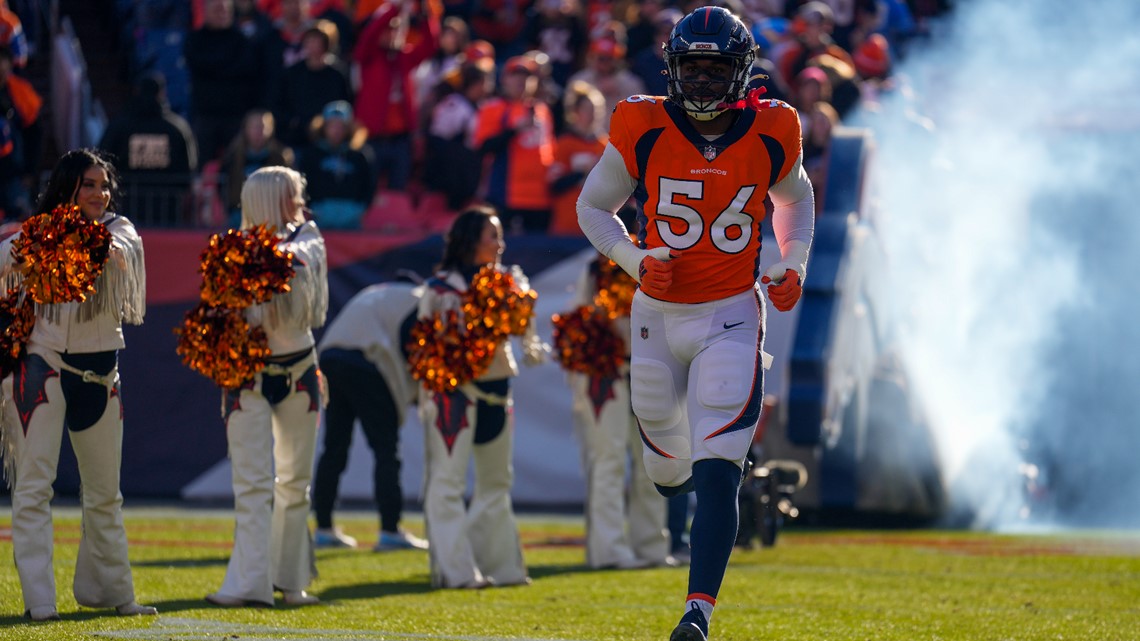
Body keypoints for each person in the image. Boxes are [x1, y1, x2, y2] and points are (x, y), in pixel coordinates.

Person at [575, 6, 815, 641]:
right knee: (665, 468)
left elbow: (796, 197)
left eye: (717, 70)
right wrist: (631, 258)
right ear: (672, 69)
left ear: (742, 73)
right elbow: (593, 207)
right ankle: (691, 480)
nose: (704, 82)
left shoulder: (773, 126)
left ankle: (698, 612)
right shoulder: (641, 122)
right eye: (693, 69)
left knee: (719, 464)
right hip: (657, 310)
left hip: (731, 311)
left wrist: (794, 262)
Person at [0, 149, 153, 621]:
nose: (100, 194)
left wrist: (57, 242)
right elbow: (3, 258)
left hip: (101, 373)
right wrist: (35, 247)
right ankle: (39, 601)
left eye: (104, 185)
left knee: (105, 493)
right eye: (89, 184)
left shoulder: (117, 229)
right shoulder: (35, 233)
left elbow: (123, 256)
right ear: (68, 185)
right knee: (33, 487)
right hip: (41, 366)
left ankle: (112, 591)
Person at [206, 166, 328, 608]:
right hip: (248, 375)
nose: (301, 201)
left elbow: (295, 259)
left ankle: (290, 581)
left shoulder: (308, 238)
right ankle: (248, 584)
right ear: (270, 198)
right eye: (294, 194)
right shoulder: (229, 249)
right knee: (253, 483)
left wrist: (247, 260)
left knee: (295, 483)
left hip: (299, 370)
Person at [416, 205, 546, 589]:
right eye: (493, 236)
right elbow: (426, 347)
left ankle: (500, 565)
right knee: (448, 482)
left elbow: (525, 331)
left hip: (497, 388)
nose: (501, 243)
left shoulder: (510, 282)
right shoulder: (440, 289)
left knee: (496, 481)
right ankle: (456, 571)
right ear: (471, 240)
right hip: (452, 394)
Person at [561, 236, 671, 570]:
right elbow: (577, 329)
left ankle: (651, 545)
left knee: (653, 463)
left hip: (648, 373)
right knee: (607, 461)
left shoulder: (660, 266)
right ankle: (608, 549)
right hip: (604, 376)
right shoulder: (595, 272)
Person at [311, 280, 429, 552]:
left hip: (329, 358)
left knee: (334, 448)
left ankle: (323, 528)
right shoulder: (417, 296)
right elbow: (413, 348)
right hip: (366, 362)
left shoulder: (372, 293)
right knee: (386, 449)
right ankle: (390, 530)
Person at [98, 71, 199, 226]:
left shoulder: (119, 126)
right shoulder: (177, 128)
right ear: (162, 93)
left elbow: (101, 161)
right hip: (168, 212)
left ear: (136, 91)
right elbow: (188, 169)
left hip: (126, 209)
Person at [295, 100, 375, 229]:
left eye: (341, 126)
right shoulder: (311, 154)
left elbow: (369, 185)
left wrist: (359, 209)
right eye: (332, 125)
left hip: (352, 215)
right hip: (320, 214)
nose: (336, 130)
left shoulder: (361, 155)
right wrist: (313, 207)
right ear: (323, 126)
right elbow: (303, 183)